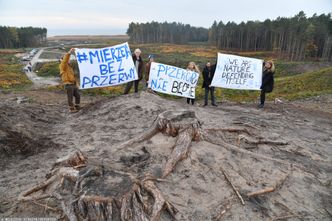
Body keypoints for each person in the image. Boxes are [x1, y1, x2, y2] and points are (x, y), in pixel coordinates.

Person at [59, 48, 80, 113]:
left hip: (73, 84)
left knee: (78, 95)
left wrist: (77, 84)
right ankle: (71, 109)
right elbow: (65, 60)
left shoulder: (69, 67)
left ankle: (77, 106)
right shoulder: (63, 65)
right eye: (68, 60)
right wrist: (69, 53)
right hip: (68, 84)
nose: (69, 60)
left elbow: (73, 76)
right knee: (70, 97)